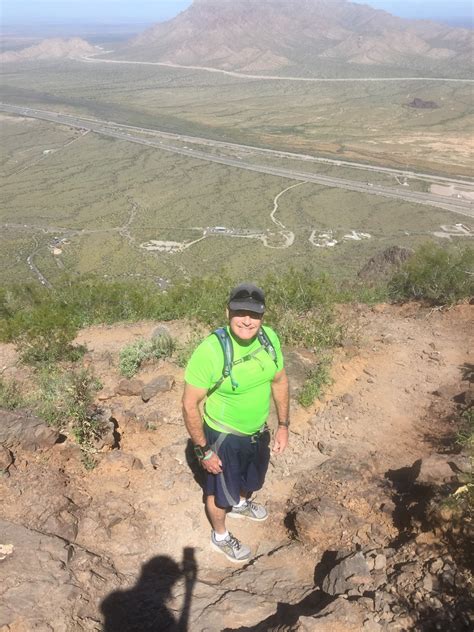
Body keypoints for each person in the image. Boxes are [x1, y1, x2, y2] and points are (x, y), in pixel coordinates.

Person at [182, 282, 289, 562]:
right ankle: (220, 536)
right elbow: (189, 404)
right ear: (227, 311)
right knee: (218, 492)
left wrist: (284, 425)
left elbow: (279, 381)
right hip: (224, 436)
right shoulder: (211, 350)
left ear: (263, 317)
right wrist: (203, 450)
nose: (247, 320)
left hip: (257, 432)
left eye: (254, 314)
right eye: (240, 312)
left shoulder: (270, 340)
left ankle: (241, 503)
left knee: (250, 479)